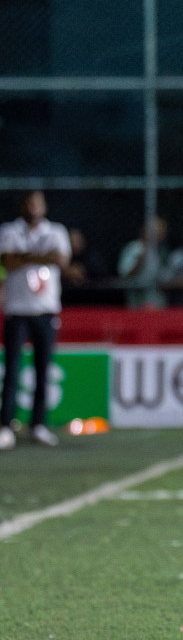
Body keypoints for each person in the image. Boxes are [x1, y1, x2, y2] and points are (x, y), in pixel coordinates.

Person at [0, 190, 70, 449]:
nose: (34, 207)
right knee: (12, 370)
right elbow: (8, 261)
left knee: (43, 370)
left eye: (38, 203)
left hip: (45, 310)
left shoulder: (56, 232)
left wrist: (25, 256)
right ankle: (5, 425)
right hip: (17, 310)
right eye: (29, 203)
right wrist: (40, 256)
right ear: (22, 206)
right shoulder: (9, 231)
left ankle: (38, 425)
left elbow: (61, 259)